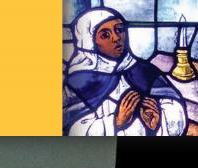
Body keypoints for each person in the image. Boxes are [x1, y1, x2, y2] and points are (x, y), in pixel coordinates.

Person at [63, 8, 187, 136]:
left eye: (119, 30)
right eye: (105, 35)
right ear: (89, 42)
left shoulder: (142, 70)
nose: (116, 38)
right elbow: (74, 130)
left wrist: (160, 119)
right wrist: (115, 122)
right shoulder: (78, 81)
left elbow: (174, 107)